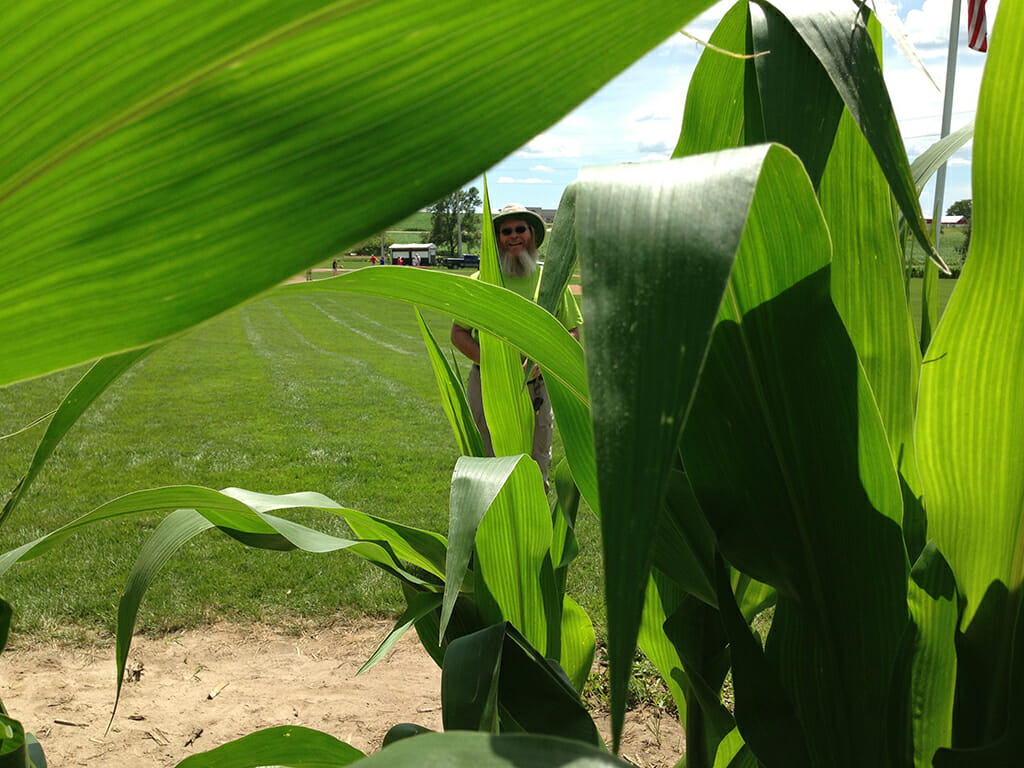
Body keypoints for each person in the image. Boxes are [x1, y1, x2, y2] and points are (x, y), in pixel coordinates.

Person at [451, 203, 582, 490]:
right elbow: (459, 334)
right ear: (497, 240)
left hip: (538, 388)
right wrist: (496, 364)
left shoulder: (550, 281)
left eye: (520, 229)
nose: (513, 236)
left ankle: (536, 517)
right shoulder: (481, 282)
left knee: (537, 462)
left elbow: (571, 333)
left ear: (532, 235)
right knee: (489, 463)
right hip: (488, 385)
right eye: (505, 231)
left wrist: (540, 364)